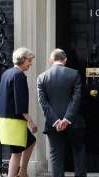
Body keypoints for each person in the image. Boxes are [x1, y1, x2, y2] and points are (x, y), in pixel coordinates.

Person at [37, 48, 86, 177]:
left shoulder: (42, 77)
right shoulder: (74, 74)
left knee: (55, 155)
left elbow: (43, 103)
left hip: (53, 124)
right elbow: (76, 99)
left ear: (51, 60)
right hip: (74, 122)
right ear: (65, 60)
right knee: (78, 151)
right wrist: (67, 119)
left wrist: (55, 121)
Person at [0, 47, 38, 177]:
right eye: (29, 60)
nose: (30, 63)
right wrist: (31, 122)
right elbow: (20, 103)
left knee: (25, 145)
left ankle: (23, 171)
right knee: (18, 151)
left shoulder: (7, 73)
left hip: (3, 118)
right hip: (13, 120)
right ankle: (21, 172)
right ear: (23, 59)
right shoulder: (19, 75)